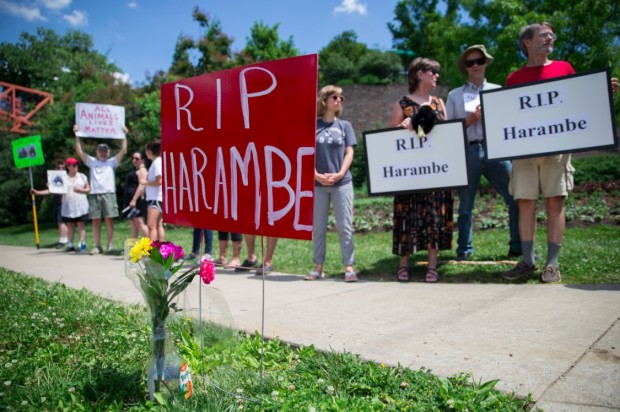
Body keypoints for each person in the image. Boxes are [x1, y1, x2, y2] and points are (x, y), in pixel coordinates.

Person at [502, 22, 618, 283]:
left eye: (551, 34)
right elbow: (508, 115)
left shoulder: (564, 68)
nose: (550, 37)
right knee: (525, 202)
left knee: (555, 201)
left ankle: (552, 264)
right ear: (527, 43)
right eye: (543, 35)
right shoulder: (514, 78)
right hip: (524, 150)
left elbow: (578, 102)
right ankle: (528, 261)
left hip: (557, 148)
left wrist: (601, 92)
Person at [446, 45, 521, 261]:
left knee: (515, 197)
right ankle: (464, 251)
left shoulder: (498, 90)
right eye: (470, 63)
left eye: (479, 61)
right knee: (466, 205)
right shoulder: (454, 95)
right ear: (465, 68)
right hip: (467, 150)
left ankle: (517, 246)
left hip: (495, 148)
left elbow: (509, 123)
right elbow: (448, 130)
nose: (475, 65)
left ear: (486, 63)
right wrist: (470, 120)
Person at [389, 57, 453, 283]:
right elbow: (388, 141)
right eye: (432, 72)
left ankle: (432, 266)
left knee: (435, 215)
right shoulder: (402, 104)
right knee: (407, 214)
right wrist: (401, 127)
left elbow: (447, 133)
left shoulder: (439, 102)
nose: (436, 76)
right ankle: (403, 264)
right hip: (409, 173)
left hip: (435, 171)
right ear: (419, 74)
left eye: (437, 72)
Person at [305, 85, 357, 282]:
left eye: (341, 98)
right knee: (318, 227)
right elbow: (305, 153)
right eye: (335, 97)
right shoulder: (313, 126)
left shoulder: (345, 126)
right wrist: (315, 175)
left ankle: (349, 266)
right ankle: (318, 266)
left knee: (344, 226)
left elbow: (349, 152)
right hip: (318, 185)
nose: (339, 100)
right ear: (325, 100)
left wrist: (340, 173)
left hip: (342, 183)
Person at [74, 125, 127, 254]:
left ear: (108, 152)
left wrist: (124, 135)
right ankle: (97, 245)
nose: (103, 153)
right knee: (95, 221)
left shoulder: (112, 162)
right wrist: (77, 135)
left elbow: (123, 151)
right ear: (97, 152)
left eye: (105, 151)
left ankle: (110, 245)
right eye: (100, 151)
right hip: (94, 194)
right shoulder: (92, 161)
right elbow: (79, 151)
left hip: (109, 193)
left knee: (109, 219)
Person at [32, 157, 90, 253]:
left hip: (80, 205)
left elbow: (88, 188)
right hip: (68, 205)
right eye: (73, 165)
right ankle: (70, 244)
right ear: (68, 167)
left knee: (80, 225)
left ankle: (81, 244)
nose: (76, 167)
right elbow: (52, 190)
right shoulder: (63, 179)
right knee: (70, 225)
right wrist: (37, 192)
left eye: (76, 165)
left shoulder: (82, 176)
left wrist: (81, 190)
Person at [141, 139, 165, 242]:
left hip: (155, 198)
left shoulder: (157, 162)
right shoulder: (157, 162)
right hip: (156, 197)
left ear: (150, 151)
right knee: (158, 225)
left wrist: (145, 183)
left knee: (151, 225)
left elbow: (160, 180)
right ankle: (161, 250)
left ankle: (151, 251)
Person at [123, 151, 149, 238]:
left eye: (137, 159)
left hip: (138, 201)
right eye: (133, 158)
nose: (134, 160)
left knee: (140, 223)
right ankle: (134, 247)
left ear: (142, 160)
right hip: (131, 201)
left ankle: (150, 246)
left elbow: (142, 185)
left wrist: (134, 199)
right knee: (134, 224)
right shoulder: (136, 170)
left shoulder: (142, 170)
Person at [52, 160, 68, 248]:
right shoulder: (53, 177)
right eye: (58, 168)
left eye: (63, 168)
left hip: (64, 201)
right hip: (57, 201)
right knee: (61, 221)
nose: (61, 169)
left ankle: (62, 239)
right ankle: (64, 238)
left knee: (62, 221)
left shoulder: (67, 177)